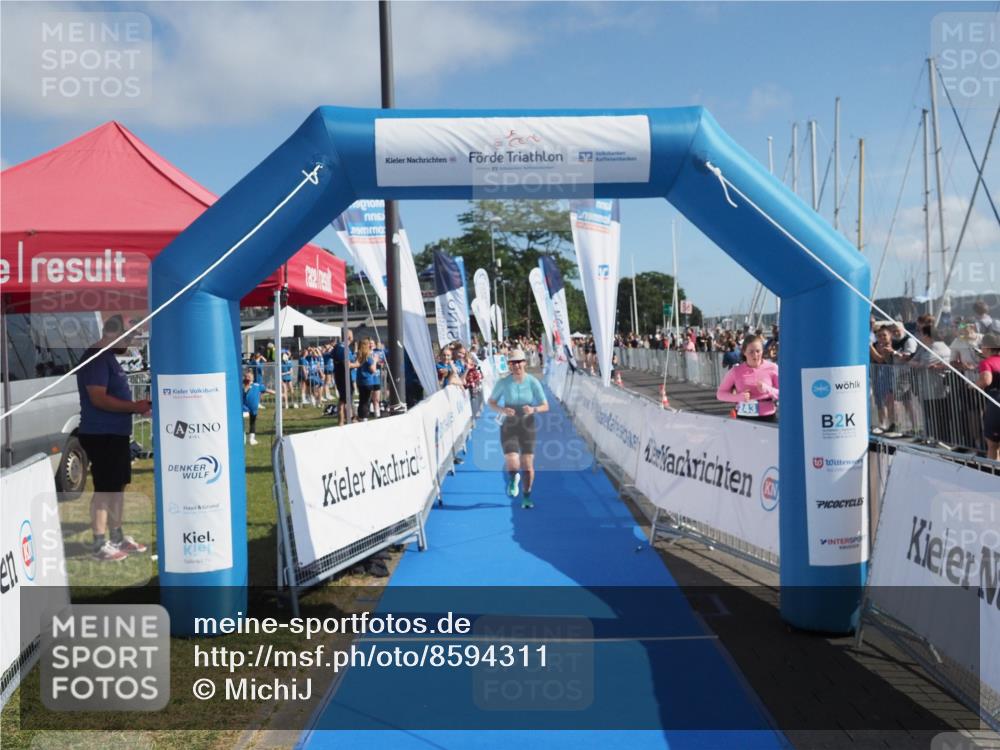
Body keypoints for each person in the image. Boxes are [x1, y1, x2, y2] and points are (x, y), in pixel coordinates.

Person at [76, 315, 152, 561]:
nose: (130, 342)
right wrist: (134, 406)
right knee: (105, 488)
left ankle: (117, 537)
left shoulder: (108, 357)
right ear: (112, 333)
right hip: (101, 433)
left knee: (117, 487)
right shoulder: (97, 357)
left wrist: (136, 406)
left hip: (115, 433)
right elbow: (98, 398)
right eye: (128, 336)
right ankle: (99, 544)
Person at [487, 348, 549, 509]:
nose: (516, 365)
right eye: (512, 363)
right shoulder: (503, 382)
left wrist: (534, 409)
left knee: (527, 465)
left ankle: (527, 496)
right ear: (509, 365)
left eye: (518, 362)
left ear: (525, 363)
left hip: (527, 425)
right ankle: (513, 479)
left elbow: (545, 405)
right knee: (512, 461)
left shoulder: (533, 382)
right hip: (509, 424)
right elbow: (491, 402)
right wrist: (502, 410)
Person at [715, 334, 779, 422]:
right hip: (744, 416)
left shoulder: (773, 368)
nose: (755, 355)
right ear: (744, 352)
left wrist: (767, 389)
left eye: (758, 351)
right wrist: (738, 397)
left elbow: (784, 394)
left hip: (767, 416)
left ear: (762, 351)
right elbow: (720, 394)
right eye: (751, 352)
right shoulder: (736, 371)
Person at [977, 333, 1000, 460]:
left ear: (987, 347)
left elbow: (986, 380)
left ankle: (992, 473)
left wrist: (973, 385)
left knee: (992, 443)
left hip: (995, 402)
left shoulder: (986, 362)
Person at [333, 331, 359, 424]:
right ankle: (348, 419)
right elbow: (347, 365)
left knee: (343, 399)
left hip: (341, 376)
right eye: (352, 335)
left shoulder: (339, 347)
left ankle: (343, 421)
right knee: (346, 399)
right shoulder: (343, 348)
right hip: (344, 377)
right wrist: (357, 364)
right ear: (349, 337)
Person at [242, 368, 274, 445]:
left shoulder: (257, 385)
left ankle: (252, 438)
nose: (248, 378)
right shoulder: (243, 385)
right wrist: (247, 385)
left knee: (252, 423)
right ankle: (242, 437)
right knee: (241, 422)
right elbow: (245, 391)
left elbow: (266, 390)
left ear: (253, 377)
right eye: (247, 376)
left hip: (253, 408)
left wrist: (277, 393)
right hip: (244, 408)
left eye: (250, 376)